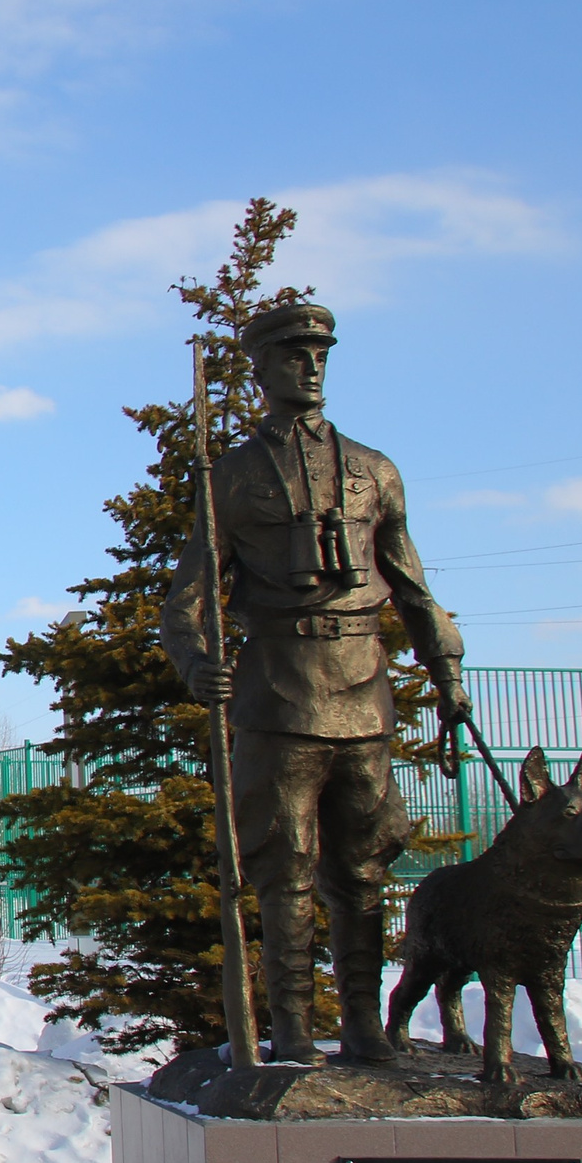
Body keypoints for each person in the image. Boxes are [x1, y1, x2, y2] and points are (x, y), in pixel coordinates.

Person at [161, 302, 469, 1064]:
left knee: (361, 869)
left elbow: (413, 586)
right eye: (294, 355)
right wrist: (198, 664)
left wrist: (448, 667)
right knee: (284, 868)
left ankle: (364, 1024)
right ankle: (293, 1030)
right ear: (260, 369)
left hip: (362, 692)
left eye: (320, 355)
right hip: (277, 693)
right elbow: (187, 602)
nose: (311, 367)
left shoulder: (375, 471)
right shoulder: (229, 477)